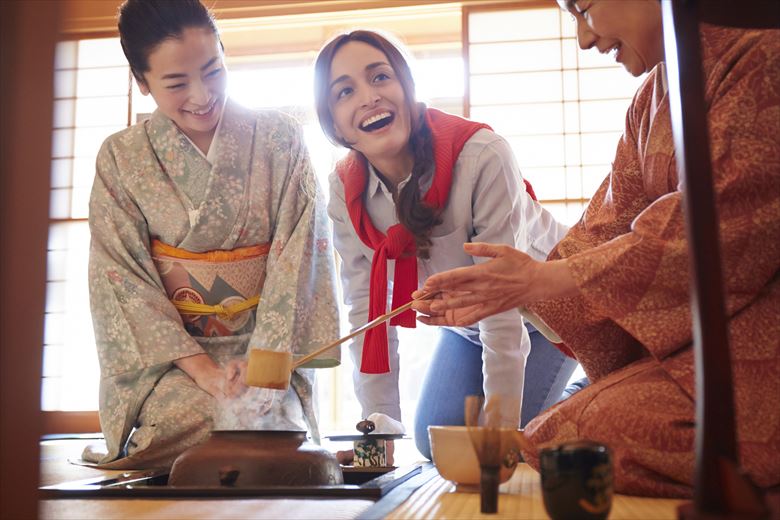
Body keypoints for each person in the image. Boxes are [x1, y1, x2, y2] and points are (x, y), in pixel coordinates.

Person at [414, 0, 780, 497]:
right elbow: (604, 227)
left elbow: (709, 224)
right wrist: (511, 291)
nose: (585, 39)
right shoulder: (651, 96)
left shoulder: (759, 55)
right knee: (542, 433)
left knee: (577, 434)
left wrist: (536, 281)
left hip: (761, 340)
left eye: (583, 10)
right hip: (689, 348)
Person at [83, 0, 340, 469]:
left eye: (212, 71)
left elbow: (300, 258)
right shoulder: (122, 159)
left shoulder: (281, 139)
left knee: (264, 421)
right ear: (142, 82)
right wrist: (202, 371)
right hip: (176, 362)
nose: (202, 96)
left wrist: (264, 367)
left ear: (224, 52)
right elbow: (120, 279)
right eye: (177, 83)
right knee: (198, 416)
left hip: (267, 356)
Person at [313, 30, 578, 460]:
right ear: (334, 124)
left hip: (548, 313)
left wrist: (500, 432)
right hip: (467, 325)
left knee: (510, 448)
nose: (369, 97)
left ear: (406, 86)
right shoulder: (345, 192)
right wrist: (375, 441)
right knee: (435, 445)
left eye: (380, 77)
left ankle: (593, 389)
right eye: (345, 91)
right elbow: (366, 308)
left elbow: (502, 301)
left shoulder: (482, 156)